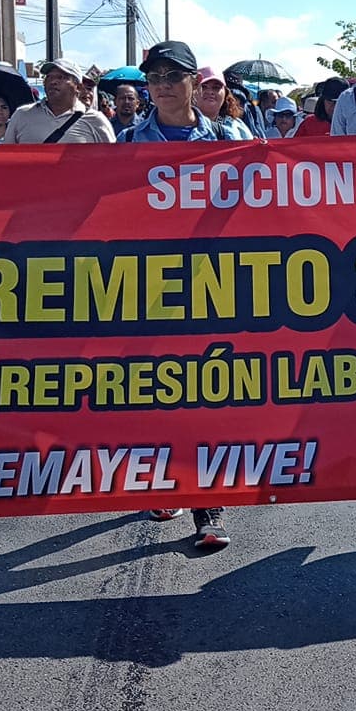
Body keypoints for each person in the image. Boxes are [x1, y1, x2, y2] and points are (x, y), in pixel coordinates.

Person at [122, 41, 227, 543]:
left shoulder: (229, 138)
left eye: (172, 75)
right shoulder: (126, 142)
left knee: (206, 391)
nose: (162, 85)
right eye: (154, 77)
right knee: (158, 389)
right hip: (147, 282)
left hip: (212, 281)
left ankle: (209, 505)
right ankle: (166, 480)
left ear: (193, 82)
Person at [4, 58, 116, 143]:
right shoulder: (22, 115)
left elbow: (112, 160)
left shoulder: (95, 120)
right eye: (49, 77)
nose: (53, 82)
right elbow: (6, 157)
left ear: (78, 87)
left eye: (61, 77)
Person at [190, 68, 258, 140]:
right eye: (204, 87)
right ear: (192, 91)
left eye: (216, 87)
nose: (210, 92)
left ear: (225, 93)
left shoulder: (237, 127)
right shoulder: (183, 124)